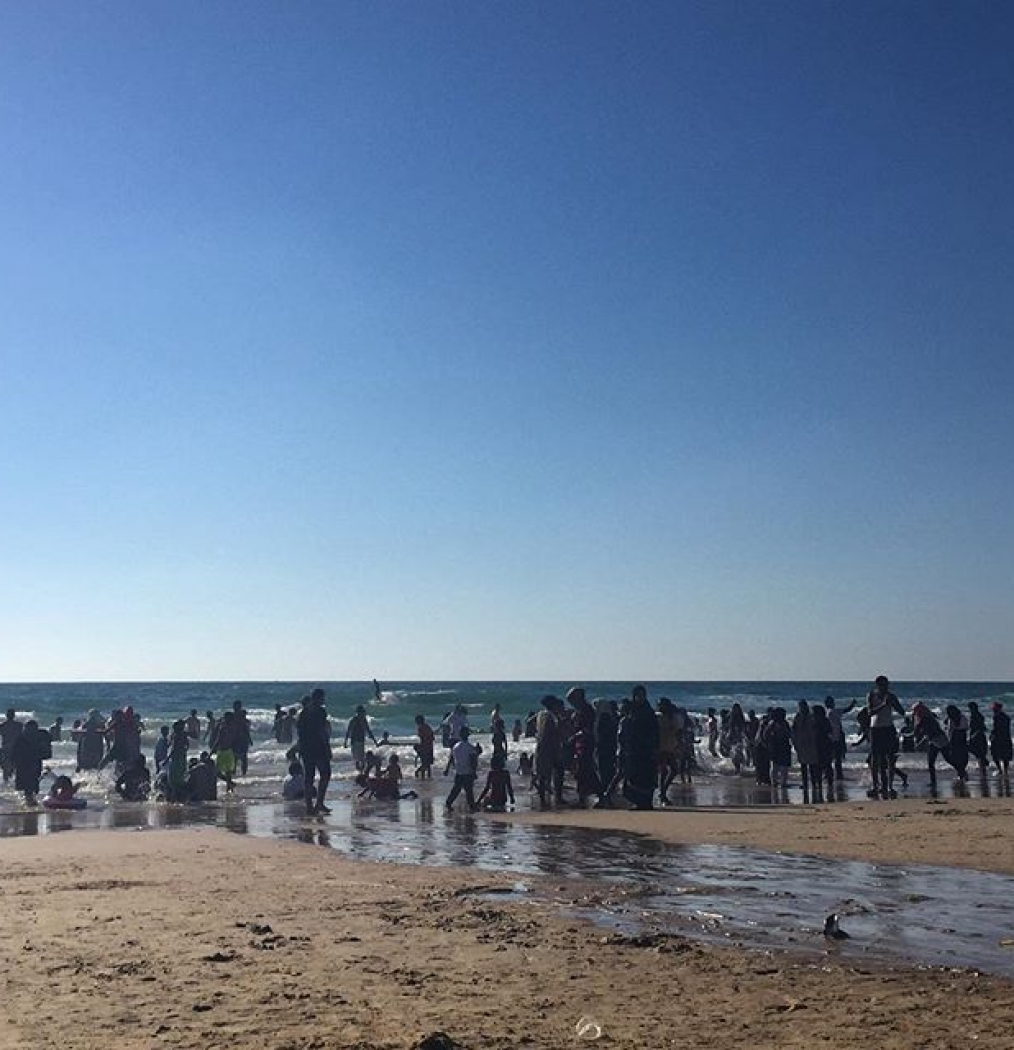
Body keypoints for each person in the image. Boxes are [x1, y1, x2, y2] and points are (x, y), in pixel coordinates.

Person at [620, 685, 659, 810]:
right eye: (638, 695)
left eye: (642, 695)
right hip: (634, 749)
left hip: (647, 749)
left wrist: (655, 747)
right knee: (634, 776)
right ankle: (638, 802)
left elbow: (655, 731)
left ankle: (646, 803)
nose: (640, 698)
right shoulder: (632, 710)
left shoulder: (648, 712)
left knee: (647, 777)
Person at [866, 676, 904, 799]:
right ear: (877, 685)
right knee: (875, 758)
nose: (885, 687)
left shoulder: (891, 696)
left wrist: (893, 703)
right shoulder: (871, 695)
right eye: (883, 685)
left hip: (888, 728)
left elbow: (902, 711)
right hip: (875, 728)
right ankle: (875, 785)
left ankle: (889, 786)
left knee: (890, 758)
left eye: (887, 685)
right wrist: (883, 705)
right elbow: (870, 712)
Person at [297, 688, 333, 816]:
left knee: (309, 777)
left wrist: (299, 748)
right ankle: (319, 803)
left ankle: (309, 807)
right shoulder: (320, 711)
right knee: (326, 774)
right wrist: (327, 747)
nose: (323, 700)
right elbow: (321, 731)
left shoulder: (303, 713)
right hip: (318, 748)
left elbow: (300, 733)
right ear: (318, 698)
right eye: (322, 698)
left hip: (306, 749)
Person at [567, 687, 600, 805]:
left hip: (586, 743)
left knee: (585, 769)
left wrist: (575, 736)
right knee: (582, 770)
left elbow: (587, 729)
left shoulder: (587, 710)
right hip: (580, 743)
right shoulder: (580, 711)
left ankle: (596, 794)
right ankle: (584, 795)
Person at [912, 703, 957, 786]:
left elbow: (917, 731)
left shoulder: (924, 719)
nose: (914, 713)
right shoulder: (928, 717)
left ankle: (961, 771)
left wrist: (918, 742)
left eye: (915, 711)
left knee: (947, 759)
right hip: (934, 741)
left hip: (939, 740)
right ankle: (933, 782)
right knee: (932, 762)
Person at [534, 696, 564, 806]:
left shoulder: (540, 714)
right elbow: (555, 732)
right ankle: (558, 797)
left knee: (543, 774)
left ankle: (542, 799)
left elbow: (530, 723)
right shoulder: (553, 716)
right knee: (558, 771)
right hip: (552, 747)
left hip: (541, 746)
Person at [12, 720, 51, 805]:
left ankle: (30, 804)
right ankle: (30, 803)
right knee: (29, 787)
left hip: (33, 765)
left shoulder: (38, 738)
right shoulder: (21, 739)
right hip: (24, 766)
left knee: (32, 787)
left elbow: (46, 753)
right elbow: (14, 754)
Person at [791, 701, 822, 802]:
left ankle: (814, 783)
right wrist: (794, 742)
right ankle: (805, 784)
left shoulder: (810, 717)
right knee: (804, 766)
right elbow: (793, 731)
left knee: (812, 765)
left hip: (810, 743)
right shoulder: (798, 717)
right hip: (801, 744)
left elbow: (815, 729)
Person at [445, 727, 480, 812]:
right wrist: (474, 771)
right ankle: (472, 806)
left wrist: (447, 769)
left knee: (456, 789)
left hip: (459, 771)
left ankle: (448, 802)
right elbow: (473, 761)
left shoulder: (455, 746)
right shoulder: (470, 747)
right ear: (468, 735)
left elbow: (451, 758)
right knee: (469, 791)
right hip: (467, 772)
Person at [824, 696, 856, 780]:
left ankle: (829, 775)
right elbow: (847, 709)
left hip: (830, 739)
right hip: (837, 738)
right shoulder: (835, 711)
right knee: (838, 759)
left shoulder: (826, 713)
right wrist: (852, 704)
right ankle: (838, 776)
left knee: (829, 759)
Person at [210, 710, 239, 793]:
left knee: (216, 772)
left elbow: (218, 740)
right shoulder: (233, 727)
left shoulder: (223, 727)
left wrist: (212, 751)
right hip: (229, 751)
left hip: (222, 751)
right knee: (228, 773)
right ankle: (229, 788)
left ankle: (230, 784)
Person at [344, 705, 377, 772]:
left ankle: (361, 772)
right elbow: (349, 730)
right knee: (357, 759)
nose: (363, 714)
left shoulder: (364, 720)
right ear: (358, 712)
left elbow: (368, 730)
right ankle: (360, 773)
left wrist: (375, 741)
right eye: (362, 712)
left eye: (363, 712)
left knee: (361, 759)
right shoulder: (354, 720)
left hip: (361, 741)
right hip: (354, 742)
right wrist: (345, 741)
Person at [766, 708, 793, 790]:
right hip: (779, 746)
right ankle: (778, 783)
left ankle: (779, 783)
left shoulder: (776, 723)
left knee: (778, 766)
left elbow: (765, 735)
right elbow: (766, 734)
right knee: (777, 766)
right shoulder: (775, 724)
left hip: (780, 746)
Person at [166, 720, 190, 802]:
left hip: (176, 760)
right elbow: (187, 745)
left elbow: (173, 749)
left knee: (172, 781)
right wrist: (183, 751)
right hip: (182, 759)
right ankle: (179, 798)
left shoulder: (176, 736)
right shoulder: (183, 735)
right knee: (179, 779)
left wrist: (167, 759)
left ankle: (177, 797)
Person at [944, 705, 969, 782]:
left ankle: (961, 773)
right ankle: (961, 773)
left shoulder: (951, 719)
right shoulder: (962, 717)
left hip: (955, 739)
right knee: (962, 757)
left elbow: (950, 731)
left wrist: (949, 742)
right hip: (962, 738)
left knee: (953, 758)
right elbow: (966, 727)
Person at [0, 708, 24, 783]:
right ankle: (14, 785)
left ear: (6, 716)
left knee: (5, 768)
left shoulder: (2, 726)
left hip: (6, 748)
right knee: (15, 767)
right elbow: (22, 737)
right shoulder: (19, 725)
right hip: (16, 748)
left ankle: (6, 784)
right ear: (14, 715)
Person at [990, 703, 1012, 776]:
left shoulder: (996, 717)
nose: (993, 710)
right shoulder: (1006, 717)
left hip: (998, 738)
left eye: (994, 709)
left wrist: (992, 735)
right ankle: (1005, 771)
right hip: (1006, 738)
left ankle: (1000, 770)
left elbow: (996, 729)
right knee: (1006, 755)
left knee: (995, 754)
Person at [231, 701, 252, 776]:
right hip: (234, 739)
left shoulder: (241, 716)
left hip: (242, 739)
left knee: (243, 758)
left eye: (237, 706)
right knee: (234, 758)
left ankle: (243, 774)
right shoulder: (232, 716)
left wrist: (249, 739)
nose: (236, 708)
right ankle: (234, 773)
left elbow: (245, 728)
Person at [968, 702, 990, 775]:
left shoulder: (977, 716)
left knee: (979, 754)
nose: (970, 710)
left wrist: (974, 735)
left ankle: (983, 772)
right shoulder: (976, 715)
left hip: (978, 737)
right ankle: (983, 770)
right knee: (979, 754)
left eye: (970, 708)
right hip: (976, 736)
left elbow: (981, 728)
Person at [413, 714, 435, 779]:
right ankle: (429, 777)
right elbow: (432, 738)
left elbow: (422, 739)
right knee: (428, 765)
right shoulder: (428, 727)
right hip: (430, 746)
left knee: (424, 763)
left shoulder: (420, 728)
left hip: (424, 748)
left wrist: (420, 748)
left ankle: (420, 775)